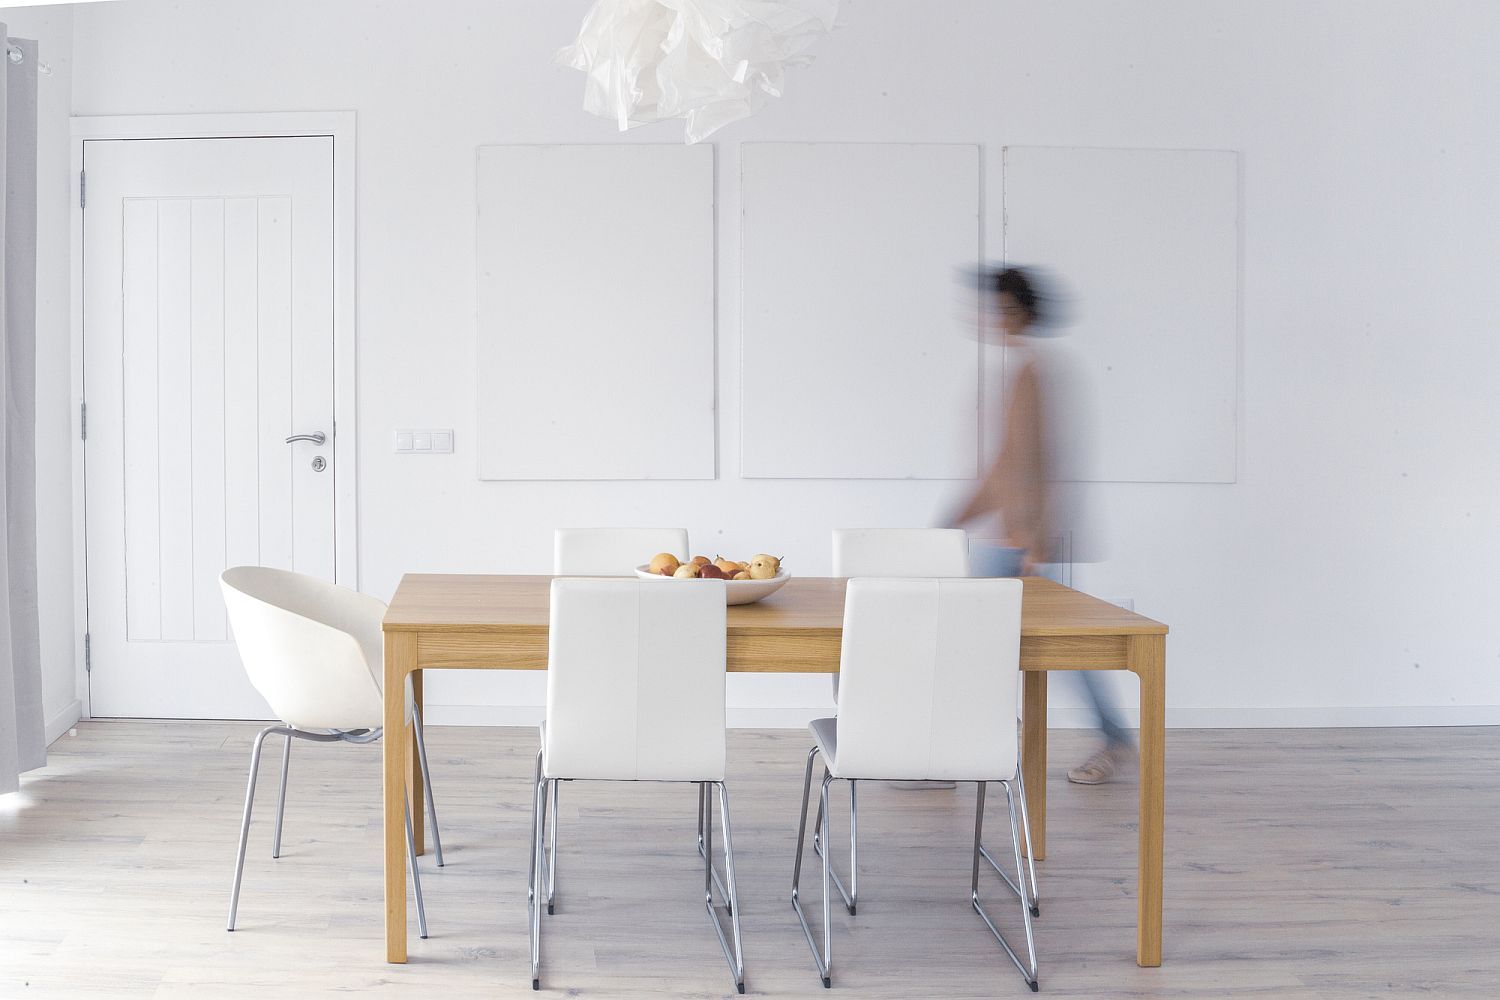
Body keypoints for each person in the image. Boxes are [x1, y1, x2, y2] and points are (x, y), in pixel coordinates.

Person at [949, 266, 1135, 785]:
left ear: (1018, 311)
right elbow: (1004, 464)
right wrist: (952, 521)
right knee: (992, 640)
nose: (987, 316)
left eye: (997, 307)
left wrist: (1035, 539)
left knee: (1059, 648)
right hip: (1006, 537)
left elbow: (1046, 460)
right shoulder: (1019, 370)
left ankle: (1113, 739)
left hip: (1025, 542)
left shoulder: (1037, 371)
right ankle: (957, 747)